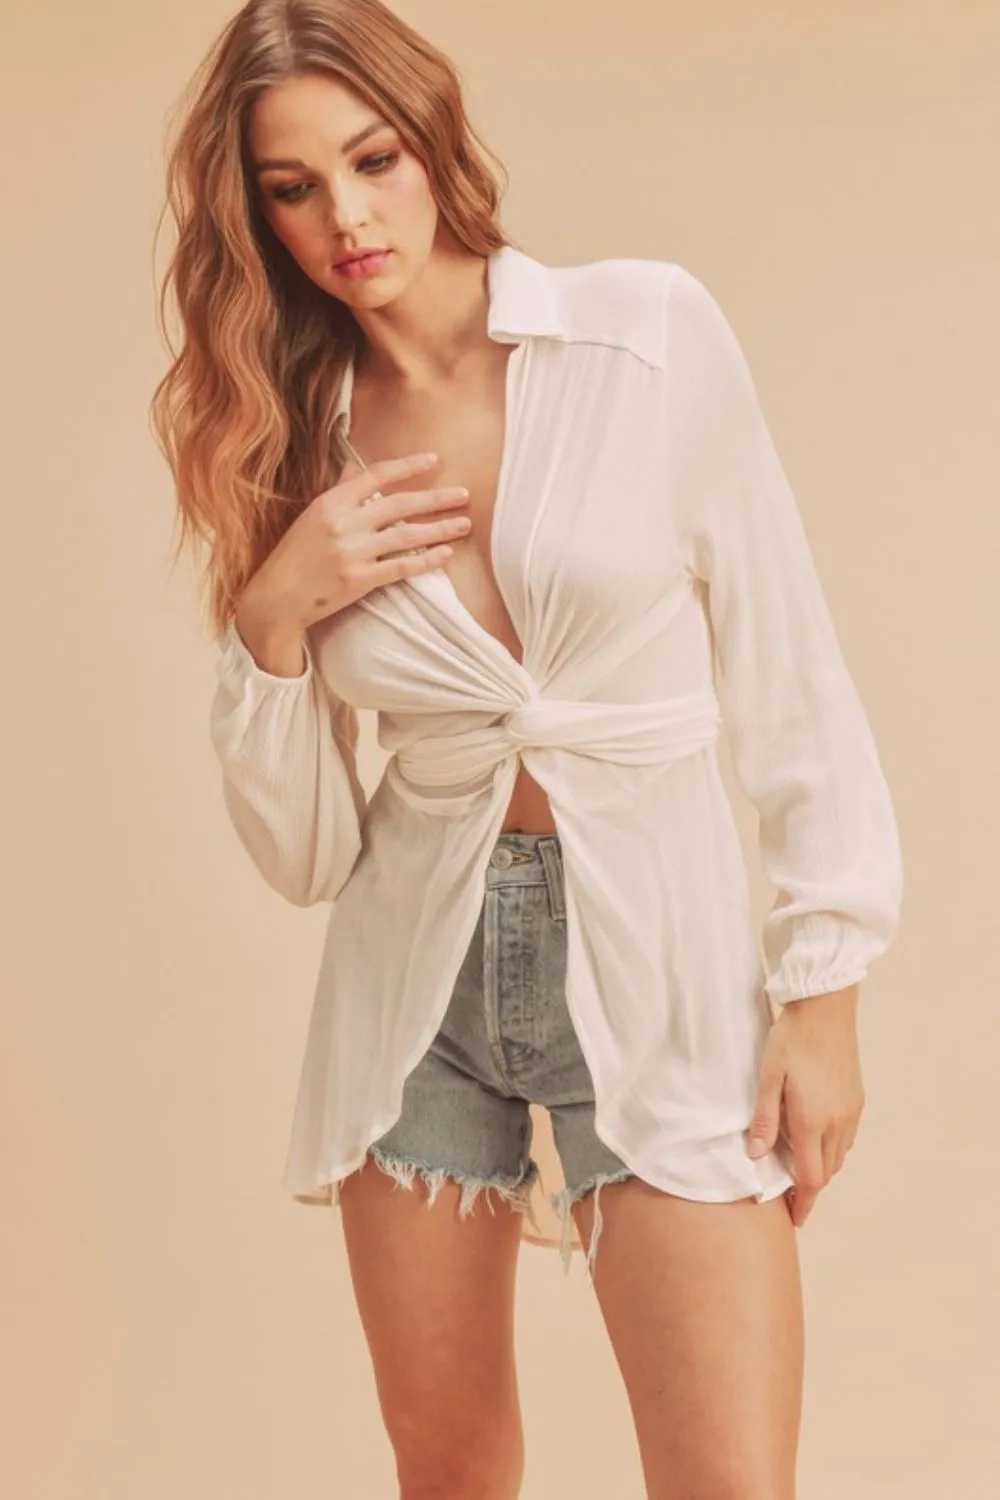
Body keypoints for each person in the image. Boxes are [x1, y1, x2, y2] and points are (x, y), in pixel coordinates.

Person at [151, 2, 904, 1495]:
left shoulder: (643, 336)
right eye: (293, 187)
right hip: (416, 993)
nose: (346, 217)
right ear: (254, 216)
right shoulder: (290, 445)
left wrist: (824, 994)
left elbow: (790, 666)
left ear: (432, 137)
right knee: (449, 1474)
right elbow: (307, 854)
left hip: (659, 960)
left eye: (372, 158)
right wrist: (274, 615)